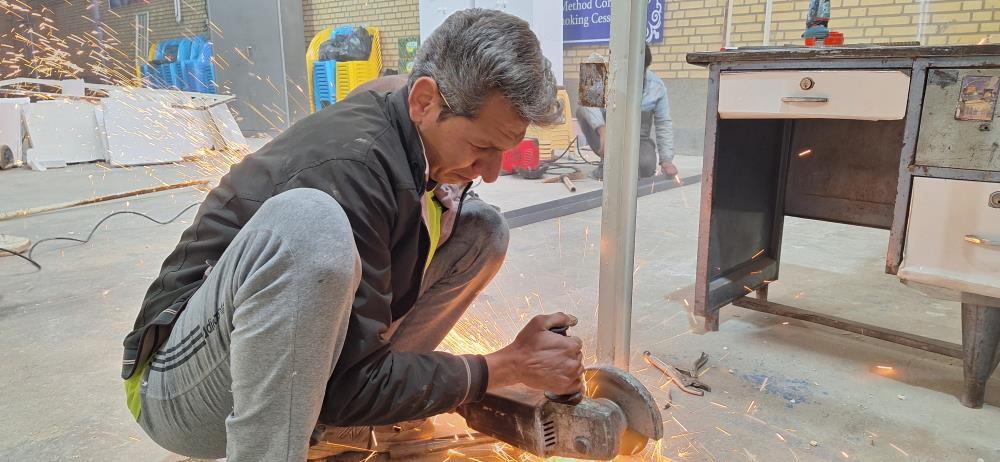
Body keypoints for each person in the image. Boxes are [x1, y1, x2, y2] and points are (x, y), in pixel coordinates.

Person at [121, 9, 584, 461]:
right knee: (310, 223)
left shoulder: (408, 116)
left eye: (502, 151)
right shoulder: (352, 169)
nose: (491, 172)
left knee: (483, 230)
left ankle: (342, 428)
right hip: (180, 386)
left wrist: (453, 379)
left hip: (299, 373)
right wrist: (502, 367)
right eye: (482, 147)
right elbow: (344, 387)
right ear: (425, 101)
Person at [576, 43, 678, 180]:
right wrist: (603, 130)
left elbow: (663, 123)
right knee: (582, 111)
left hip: (638, 140)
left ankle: (616, 166)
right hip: (608, 135)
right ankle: (609, 162)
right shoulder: (599, 72)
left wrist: (666, 160)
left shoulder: (656, 87)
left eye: (640, 72)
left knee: (646, 165)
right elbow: (587, 103)